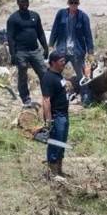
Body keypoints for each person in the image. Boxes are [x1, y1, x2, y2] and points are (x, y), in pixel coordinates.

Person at [49, 0, 95, 104]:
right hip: (62, 50)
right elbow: (55, 29)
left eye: (75, 3)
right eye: (71, 3)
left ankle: (85, 97)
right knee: (56, 73)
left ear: (78, 4)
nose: (73, 5)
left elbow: (88, 35)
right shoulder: (61, 14)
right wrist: (51, 45)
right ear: (68, 3)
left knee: (81, 75)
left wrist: (90, 52)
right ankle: (54, 95)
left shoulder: (83, 17)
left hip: (77, 52)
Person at [7, 0, 49, 108]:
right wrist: (13, 54)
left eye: (26, 1)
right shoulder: (13, 19)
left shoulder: (35, 16)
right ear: (18, 3)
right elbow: (10, 38)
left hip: (35, 50)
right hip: (21, 51)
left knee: (44, 72)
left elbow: (40, 33)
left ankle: (47, 95)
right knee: (23, 73)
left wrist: (45, 48)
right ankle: (25, 98)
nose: (25, 3)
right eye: (22, 2)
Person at [40, 50, 70, 179]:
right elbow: (46, 100)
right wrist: (49, 120)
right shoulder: (48, 78)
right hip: (56, 116)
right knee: (55, 143)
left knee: (62, 143)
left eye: (64, 61)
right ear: (53, 62)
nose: (64, 63)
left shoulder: (59, 75)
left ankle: (59, 170)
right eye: (61, 61)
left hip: (64, 114)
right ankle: (52, 173)